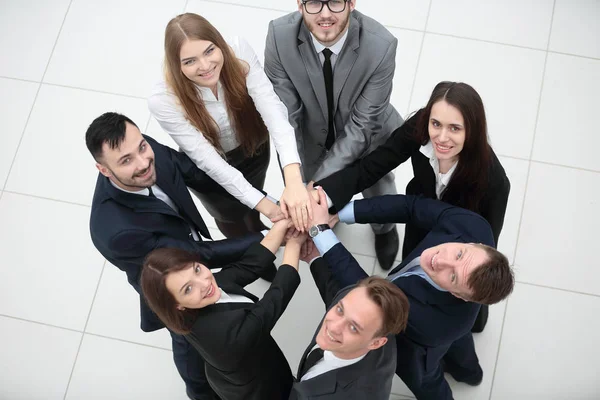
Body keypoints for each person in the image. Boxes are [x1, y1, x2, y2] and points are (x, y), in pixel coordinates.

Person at [87, 112, 265, 400]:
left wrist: (264, 202)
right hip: (167, 282)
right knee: (189, 338)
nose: (143, 162)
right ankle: (199, 393)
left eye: (141, 147)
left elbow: (199, 176)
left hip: (187, 247)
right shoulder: (114, 231)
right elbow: (195, 254)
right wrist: (269, 237)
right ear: (104, 170)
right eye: (125, 160)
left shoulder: (148, 149)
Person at [316, 81, 511, 332]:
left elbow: (488, 243)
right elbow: (374, 165)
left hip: (458, 243)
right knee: (411, 265)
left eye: (455, 128)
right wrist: (327, 199)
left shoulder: (494, 182)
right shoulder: (420, 126)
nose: (441, 137)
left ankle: (476, 318)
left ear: (471, 131)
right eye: (436, 124)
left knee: (467, 290)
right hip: (418, 216)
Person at [307, 187, 514, 400]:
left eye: (453, 276)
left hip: (420, 345)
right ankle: (469, 371)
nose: (440, 260)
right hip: (455, 322)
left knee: (426, 380)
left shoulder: (431, 322)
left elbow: (368, 294)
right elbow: (411, 206)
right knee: (461, 340)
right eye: (460, 254)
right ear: (475, 243)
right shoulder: (473, 226)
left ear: (461, 296)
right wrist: (337, 215)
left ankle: (464, 378)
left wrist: (320, 231)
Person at [264, 0, 403, 270]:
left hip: (370, 136)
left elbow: (362, 126)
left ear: (351, 3)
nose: (325, 14)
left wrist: (314, 187)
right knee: (313, 192)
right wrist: (300, 185)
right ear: (299, 4)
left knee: (379, 192)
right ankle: (326, 211)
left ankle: (384, 229)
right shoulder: (279, 36)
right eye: (314, 2)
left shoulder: (381, 45)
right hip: (310, 136)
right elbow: (286, 116)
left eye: (336, 2)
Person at [149, 12, 312, 238]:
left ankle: (256, 229)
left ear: (219, 43)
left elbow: (274, 113)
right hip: (208, 171)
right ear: (176, 65)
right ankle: (250, 249)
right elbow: (209, 161)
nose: (205, 66)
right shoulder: (164, 100)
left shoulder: (238, 51)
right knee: (230, 217)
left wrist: (293, 179)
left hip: (253, 147)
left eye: (209, 51)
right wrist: (268, 207)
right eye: (189, 61)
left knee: (254, 199)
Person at [140, 218, 304, 400]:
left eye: (196, 269)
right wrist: (294, 243)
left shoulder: (199, 297)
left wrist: (282, 226)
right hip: (260, 389)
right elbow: (275, 298)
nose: (205, 283)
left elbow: (247, 266)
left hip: (232, 374)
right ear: (177, 305)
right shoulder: (225, 336)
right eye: (188, 289)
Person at [289, 247, 409, 399]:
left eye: (353, 327)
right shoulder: (361, 307)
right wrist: (313, 258)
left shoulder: (358, 394)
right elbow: (333, 292)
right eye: (340, 310)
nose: (333, 327)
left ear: (376, 343)